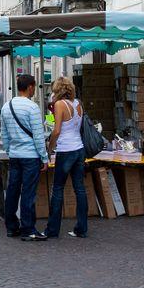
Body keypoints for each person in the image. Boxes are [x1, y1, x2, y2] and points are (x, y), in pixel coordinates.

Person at [0, 74, 50, 241]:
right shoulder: (33, 108)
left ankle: (11, 227)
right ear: (30, 87)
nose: (34, 90)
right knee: (28, 192)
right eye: (34, 87)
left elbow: (4, 135)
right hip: (30, 157)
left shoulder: (6, 107)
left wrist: (9, 150)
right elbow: (38, 135)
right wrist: (44, 157)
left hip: (15, 156)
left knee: (13, 191)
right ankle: (28, 229)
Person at [45, 77, 88, 238]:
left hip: (65, 149)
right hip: (79, 149)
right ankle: (81, 228)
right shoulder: (78, 104)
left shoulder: (59, 105)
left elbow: (56, 131)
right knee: (80, 189)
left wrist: (50, 147)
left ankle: (52, 229)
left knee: (57, 189)